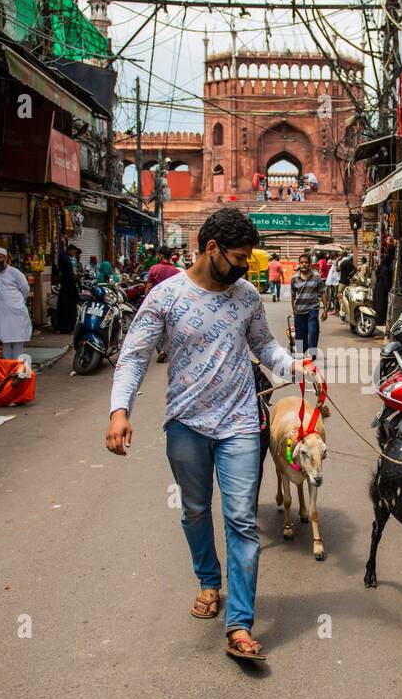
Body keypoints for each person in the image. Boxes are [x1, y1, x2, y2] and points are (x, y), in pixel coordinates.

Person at [106, 207, 308, 663]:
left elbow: (264, 346)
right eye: (237, 258)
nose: (243, 267)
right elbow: (135, 357)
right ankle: (208, 581)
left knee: (240, 520)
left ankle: (239, 623)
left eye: (247, 260)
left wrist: (295, 367)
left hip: (239, 423)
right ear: (211, 248)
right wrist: (120, 410)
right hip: (186, 424)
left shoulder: (248, 296)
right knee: (195, 510)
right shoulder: (165, 297)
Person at [0, 248, 32, 360]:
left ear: (5, 258)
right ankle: (7, 370)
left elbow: (25, 290)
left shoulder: (15, 273)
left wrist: (16, 303)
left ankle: (17, 371)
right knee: (3, 344)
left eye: (0, 257)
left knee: (18, 344)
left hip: (17, 314)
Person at [144, 248, 182, 363]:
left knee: (157, 328)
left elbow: (149, 287)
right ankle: (166, 350)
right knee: (168, 328)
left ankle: (161, 350)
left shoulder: (154, 269)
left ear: (160, 256)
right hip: (172, 303)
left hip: (157, 303)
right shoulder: (176, 271)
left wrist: (146, 300)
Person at [291, 253, 325, 358]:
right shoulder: (294, 278)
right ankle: (301, 354)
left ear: (310, 264)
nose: (304, 264)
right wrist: (293, 310)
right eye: (302, 262)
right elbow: (293, 296)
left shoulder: (316, 277)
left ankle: (312, 353)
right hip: (299, 310)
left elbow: (323, 293)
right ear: (299, 264)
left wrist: (325, 309)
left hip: (313, 308)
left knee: (313, 330)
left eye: (306, 262)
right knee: (300, 335)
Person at [55, 244, 81, 334]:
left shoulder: (64, 257)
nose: (74, 253)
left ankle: (62, 328)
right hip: (68, 289)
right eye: (74, 251)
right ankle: (69, 328)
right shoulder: (66, 259)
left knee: (64, 309)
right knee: (69, 309)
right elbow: (69, 275)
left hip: (66, 288)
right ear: (70, 250)